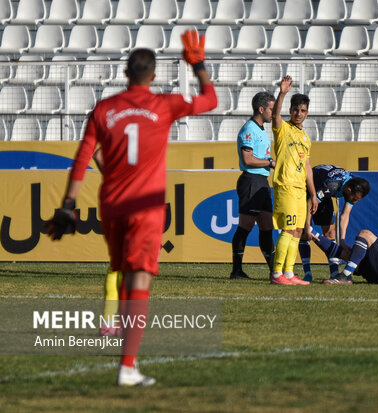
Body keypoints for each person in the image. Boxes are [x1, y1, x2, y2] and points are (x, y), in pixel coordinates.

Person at [44, 30, 217, 386]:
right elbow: (210, 100)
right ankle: (127, 366)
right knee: (139, 277)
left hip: (112, 206)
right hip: (146, 205)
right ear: (152, 76)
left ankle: (123, 345)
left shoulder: (104, 110)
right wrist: (198, 65)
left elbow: (82, 158)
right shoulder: (165, 105)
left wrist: (68, 204)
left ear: (125, 72)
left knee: (121, 269)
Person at [269, 75, 318, 285]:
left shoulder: (306, 137)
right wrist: (282, 93)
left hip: (300, 190)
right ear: (291, 111)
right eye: (296, 110)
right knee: (288, 229)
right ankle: (276, 273)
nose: (299, 114)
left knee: (298, 231)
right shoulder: (283, 129)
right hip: (285, 186)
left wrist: (313, 194)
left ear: (307, 113)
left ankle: (289, 274)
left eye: (303, 111)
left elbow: (307, 166)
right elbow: (275, 115)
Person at [230, 92, 277, 280]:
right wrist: (269, 162)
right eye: (271, 109)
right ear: (261, 109)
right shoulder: (249, 129)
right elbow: (247, 159)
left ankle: (275, 271)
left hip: (262, 182)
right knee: (246, 226)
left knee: (267, 227)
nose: (273, 113)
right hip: (251, 181)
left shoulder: (261, 129)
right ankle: (236, 271)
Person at [298, 165, 370, 282]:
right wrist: (307, 226)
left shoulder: (352, 186)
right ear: (348, 190)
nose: (355, 202)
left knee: (330, 234)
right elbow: (310, 203)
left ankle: (334, 273)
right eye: (354, 199)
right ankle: (308, 273)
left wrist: (342, 241)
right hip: (307, 189)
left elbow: (345, 214)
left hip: (323, 193)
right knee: (304, 232)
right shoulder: (332, 185)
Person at [92, 147, 123, 337]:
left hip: (113, 202)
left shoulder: (120, 129)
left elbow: (97, 155)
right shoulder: (137, 130)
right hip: (128, 204)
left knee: (117, 264)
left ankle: (110, 322)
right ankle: (114, 322)